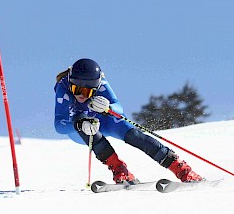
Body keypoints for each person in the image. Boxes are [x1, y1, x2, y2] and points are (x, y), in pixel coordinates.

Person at [53, 58, 202, 184]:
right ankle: (120, 170)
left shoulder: (102, 84)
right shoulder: (63, 87)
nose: (81, 95)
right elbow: (59, 125)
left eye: (86, 92)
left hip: (105, 123)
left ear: (96, 86)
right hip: (80, 131)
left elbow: (118, 109)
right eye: (76, 89)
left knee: (134, 135)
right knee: (84, 123)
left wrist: (108, 107)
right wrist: (78, 124)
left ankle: (181, 169)